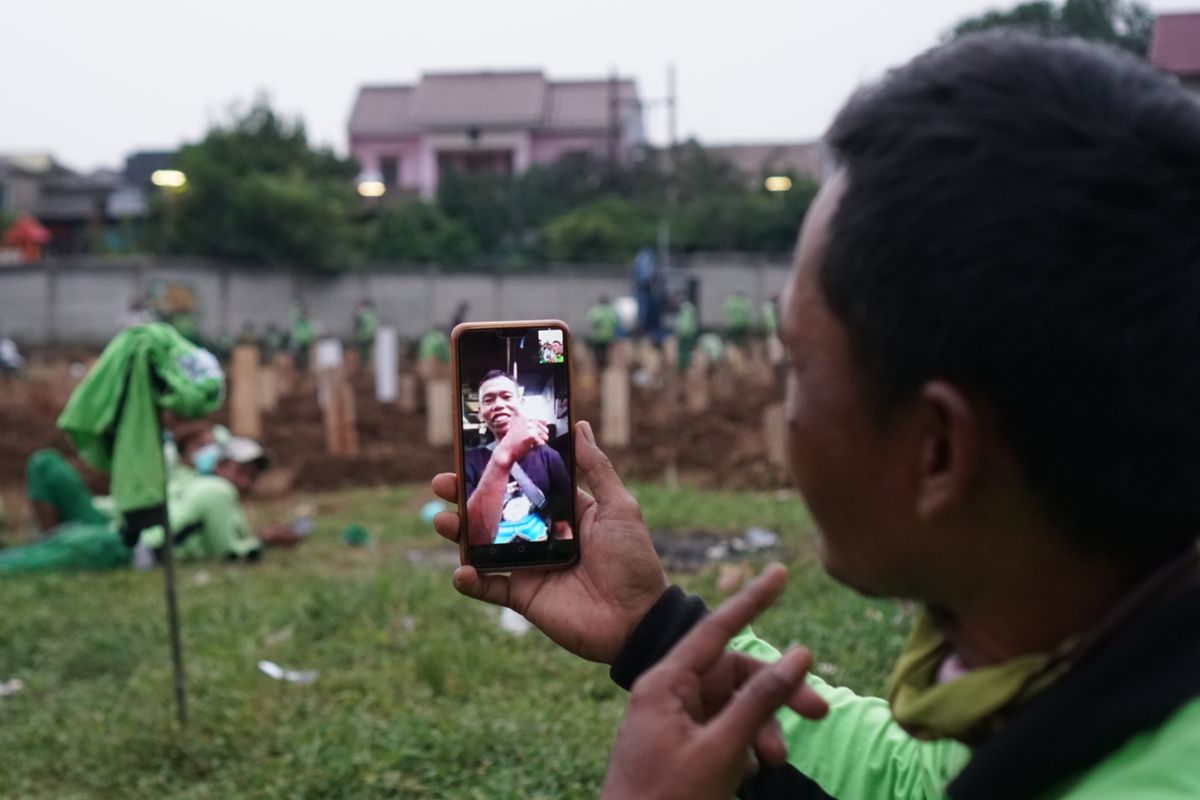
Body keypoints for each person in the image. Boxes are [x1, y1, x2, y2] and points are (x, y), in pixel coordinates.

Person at [431, 32, 1200, 799]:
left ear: (938, 453)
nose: (786, 410)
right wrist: (654, 629)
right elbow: (917, 783)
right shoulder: (1082, 693)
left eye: (798, 366)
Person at [463, 370, 573, 546]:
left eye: (506, 396)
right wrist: (503, 457)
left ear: (521, 404)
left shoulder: (549, 457)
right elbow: (474, 532)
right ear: (481, 413)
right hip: (492, 559)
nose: (498, 404)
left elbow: (561, 526)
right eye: (488, 400)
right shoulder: (469, 462)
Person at [587, 296, 620, 370]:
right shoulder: (611, 311)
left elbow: (593, 322)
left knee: (598, 352)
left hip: (598, 336)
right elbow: (615, 322)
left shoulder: (596, 311)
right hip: (608, 336)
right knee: (606, 352)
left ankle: (599, 365)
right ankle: (605, 366)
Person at [353, 299, 379, 364]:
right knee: (367, 352)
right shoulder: (372, 314)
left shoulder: (363, 314)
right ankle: (366, 363)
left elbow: (358, 325)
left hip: (363, 336)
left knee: (364, 352)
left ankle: (364, 364)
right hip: (370, 335)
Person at [290, 304, 315, 372]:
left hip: (306, 343)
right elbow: (295, 332)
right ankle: (298, 367)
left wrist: (310, 340)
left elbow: (311, 332)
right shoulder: (298, 323)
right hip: (299, 342)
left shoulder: (308, 323)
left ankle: (305, 368)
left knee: (307, 356)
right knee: (298, 355)